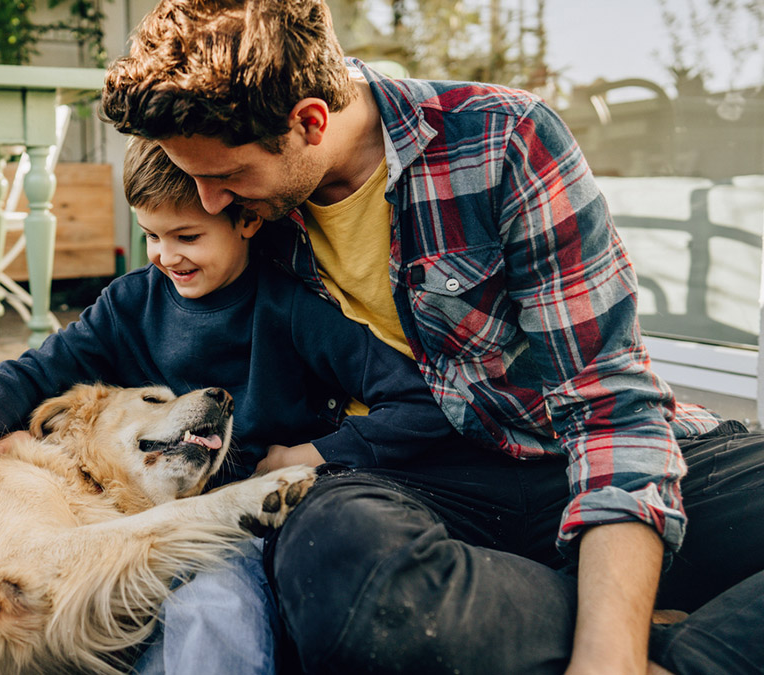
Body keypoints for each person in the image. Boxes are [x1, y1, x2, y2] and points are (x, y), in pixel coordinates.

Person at [100, 0, 764, 673]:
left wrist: (610, 653)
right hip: (409, 483)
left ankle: (639, 646)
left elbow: (610, 405)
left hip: (569, 450)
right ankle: (644, 623)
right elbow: (113, 324)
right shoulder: (249, 208)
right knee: (335, 567)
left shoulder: (504, 139)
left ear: (309, 121)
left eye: (226, 177)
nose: (210, 203)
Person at [0, 136, 467, 672]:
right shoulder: (132, 303)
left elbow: (421, 402)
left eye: (185, 236)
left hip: (244, 524)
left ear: (242, 216)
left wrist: (314, 451)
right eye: (151, 236)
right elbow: (29, 374)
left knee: (214, 609)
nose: (164, 257)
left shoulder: (295, 311)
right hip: (128, 515)